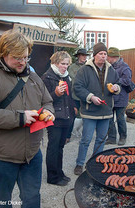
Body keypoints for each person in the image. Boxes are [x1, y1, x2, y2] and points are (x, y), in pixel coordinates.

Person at [0, 29, 55, 208]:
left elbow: (47, 100)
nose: (23, 62)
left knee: (31, 199)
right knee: (2, 202)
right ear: (4, 53)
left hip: (31, 155)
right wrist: (19, 118)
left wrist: (48, 110)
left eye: (25, 57)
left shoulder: (33, 77)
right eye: (17, 57)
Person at [73, 42, 121, 175]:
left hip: (105, 112)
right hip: (90, 111)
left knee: (101, 140)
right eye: (101, 54)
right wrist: (91, 97)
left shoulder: (111, 70)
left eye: (105, 54)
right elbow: (77, 87)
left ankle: (96, 163)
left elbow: (118, 83)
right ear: (94, 55)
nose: (103, 56)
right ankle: (79, 163)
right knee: (86, 139)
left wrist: (117, 88)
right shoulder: (84, 70)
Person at [41, 51, 76, 186]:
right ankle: (52, 177)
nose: (65, 66)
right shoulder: (46, 78)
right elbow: (43, 100)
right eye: (62, 63)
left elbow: (69, 96)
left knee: (60, 147)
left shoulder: (67, 77)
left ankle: (59, 172)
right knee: (53, 147)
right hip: (54, 118)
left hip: (66, 117)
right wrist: (55, 93)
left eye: (67, 64)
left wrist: (73, 109)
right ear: (55, 63)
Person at [105, 47, 132, 145]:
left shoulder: (125, 67)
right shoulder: (108, 66)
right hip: (110, 97)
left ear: (114, 57)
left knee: (120, 120)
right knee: (110, 119)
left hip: (121, 98)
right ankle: (111, 138)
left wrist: (115, 82)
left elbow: (127, 81)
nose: (107, 58)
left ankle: (123, 137)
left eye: (108, 56)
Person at [67, 48, 89, 141]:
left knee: (87, 116)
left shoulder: (89, 66)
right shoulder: (72, 67)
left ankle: (86, 135)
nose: (84, 57)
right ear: (78, 56)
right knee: (72, 115)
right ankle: (68, 136)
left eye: (85, 56)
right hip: (75, 96)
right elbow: (73, 80)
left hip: (86, 96)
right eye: (82, 55)